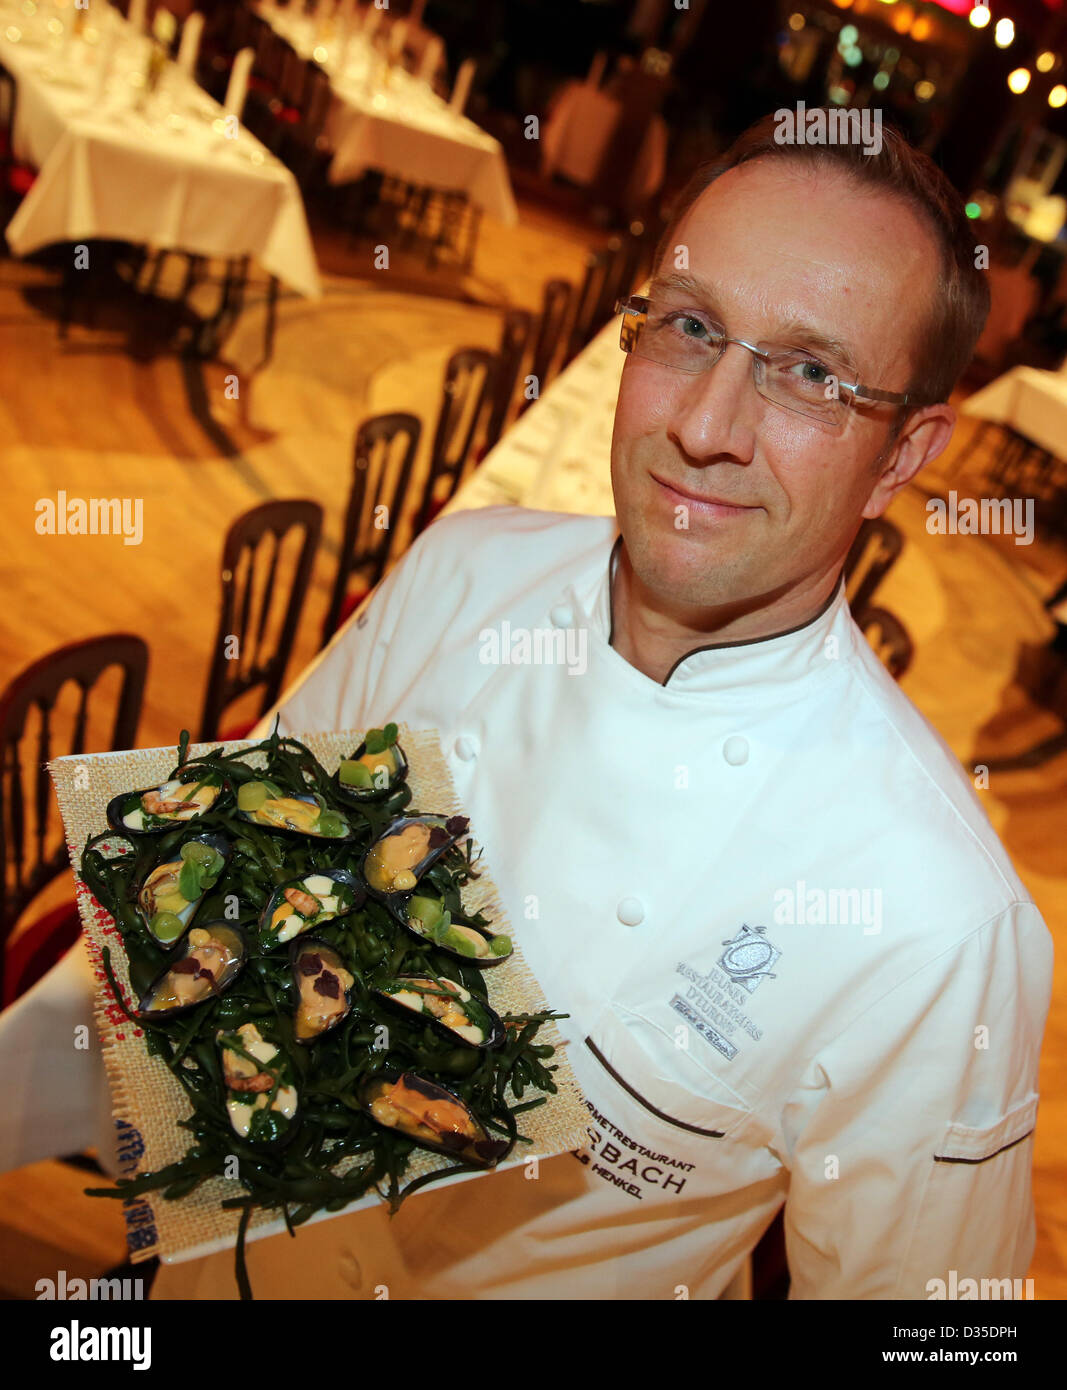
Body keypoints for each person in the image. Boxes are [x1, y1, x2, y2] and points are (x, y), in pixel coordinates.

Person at [152, 112, 1053, 1300]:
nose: (702, 426)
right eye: (689, 328)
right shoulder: (463, 569)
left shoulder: (935, 923)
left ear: (901, 455)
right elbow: (232, 871)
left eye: (810, 376)